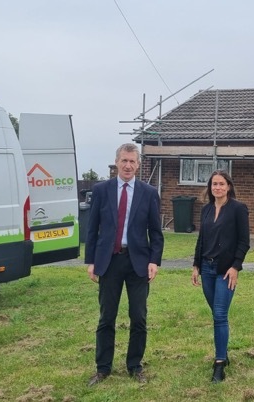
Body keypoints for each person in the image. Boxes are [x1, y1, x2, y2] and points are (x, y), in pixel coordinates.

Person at [84, 143, 164, 387]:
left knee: (138, 317)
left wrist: (154, 261)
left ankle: (134, 366)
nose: (128, 165)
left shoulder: (149, 193)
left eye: (132, 161)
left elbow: (156, 231)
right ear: (116, 163)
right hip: (109, 262)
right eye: (124, 161)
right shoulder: (101, 190)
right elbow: (92, 228)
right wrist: (91, 261)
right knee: (106, 317)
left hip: (138, 262)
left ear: (138, 165)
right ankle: (103, 368)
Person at [191, 170, 250, 383]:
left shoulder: (238, 209)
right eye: (214, 184)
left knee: (219, 315)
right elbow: (202, 239)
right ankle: (223, 353)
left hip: (225, 271)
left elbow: (244, 242)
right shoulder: (206, 210)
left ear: (228, 187)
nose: (217, 187)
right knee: (217, 315)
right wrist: (196, 264)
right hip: (206, 269)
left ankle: (219, 364)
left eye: (221, 184)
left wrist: (235, 267)